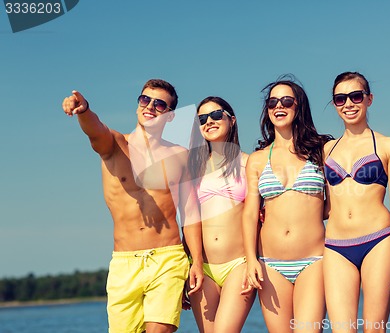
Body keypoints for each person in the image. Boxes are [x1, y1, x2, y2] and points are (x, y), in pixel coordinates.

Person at [61, 79, 204, 333]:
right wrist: (84, 110)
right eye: (145, 99)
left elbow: (191, 211)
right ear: (138, 103)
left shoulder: (180, 155)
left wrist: (197, 262)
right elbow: (95, 131)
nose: (150, 106)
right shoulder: (115, 145)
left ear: (169, 116)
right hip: (124, 264)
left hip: (167, 259)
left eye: (160, 104)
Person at [242, 76, 333, 333]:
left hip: (313, 260)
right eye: (272, 102)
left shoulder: (321, 150)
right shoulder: (258, 159)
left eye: (286, 101)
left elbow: (334, 202)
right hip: (270, 263)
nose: (278, 106)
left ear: (298, 106)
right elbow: (250, 213)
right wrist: (251, 260)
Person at [323, 71, 390, 333]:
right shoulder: (327, 149)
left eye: (355, 96)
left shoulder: (388, 146)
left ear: (369, 99)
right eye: (340, 99)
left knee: (374, 329)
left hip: (378, 241)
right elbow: (325, 204)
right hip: (336, 246)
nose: (348, 103)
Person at [187, 96, 256, 332]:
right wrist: (194, 263)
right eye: (202, 119)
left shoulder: (248, 163)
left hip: (239, 264)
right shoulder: (193, 168)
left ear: (232, 120)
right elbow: (190, 221)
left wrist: (253, 260)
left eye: (216, 115)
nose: (209, 122)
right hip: (203, 267)